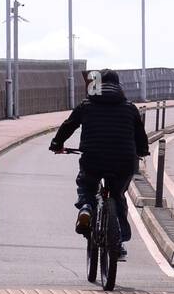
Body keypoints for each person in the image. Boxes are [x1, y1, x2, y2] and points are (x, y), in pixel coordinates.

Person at [49, 69, 149, 262]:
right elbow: (140, 135)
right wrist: (142, 151)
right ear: (119, 86)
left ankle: (86, 207)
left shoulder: (86, 105)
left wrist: (56, 144)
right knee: (118, 196)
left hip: (93, 158)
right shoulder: (129, 107)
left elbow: (69, 125)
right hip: (123, 161)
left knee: (86, 185)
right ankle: (117, 243)